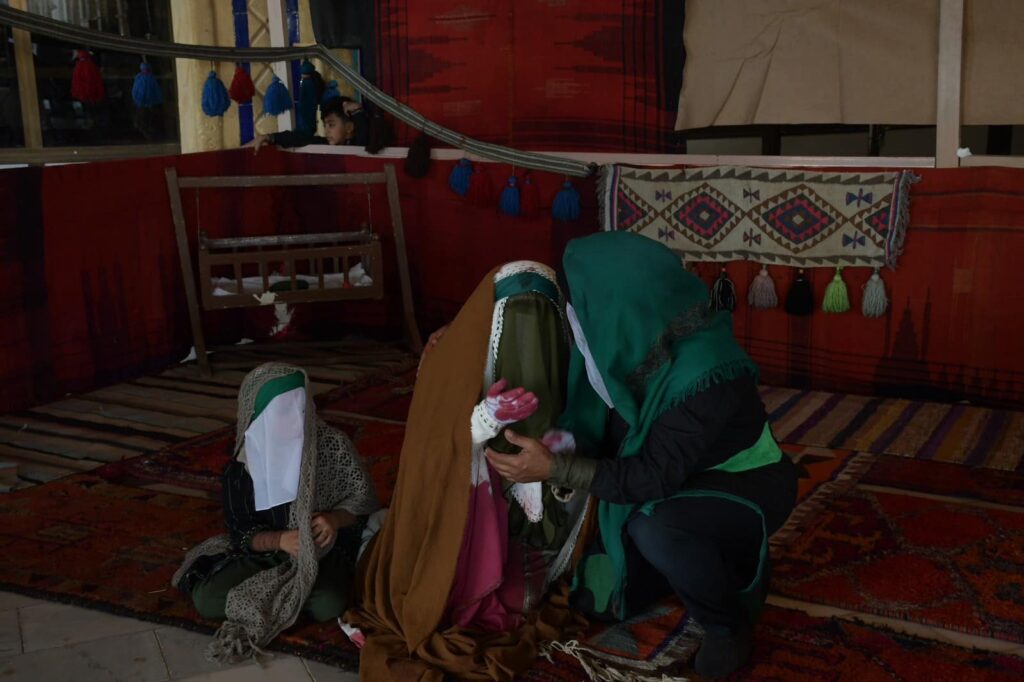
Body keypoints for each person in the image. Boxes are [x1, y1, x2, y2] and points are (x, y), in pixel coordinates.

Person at [485, 232, 798, 679]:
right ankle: (704, 563)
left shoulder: (704, 372)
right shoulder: (631, 344)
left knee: (656, 527)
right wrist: (453, 342)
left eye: (584, 305)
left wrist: (556, 467)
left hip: (745, 482)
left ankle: (727, 625)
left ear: (618, 306)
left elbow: (652, 478)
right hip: (675, 474)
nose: (577, 317)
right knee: (605, 597)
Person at [344, 261, 590, 681]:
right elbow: (429, 461)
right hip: (462, 528)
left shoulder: (577, 369)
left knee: (529, 587)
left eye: (541, 329)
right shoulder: (451, 358)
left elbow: (592, 478)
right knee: (462, 594)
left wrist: (558, 465)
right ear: (494, 324)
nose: (529, 349)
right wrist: (480, 424)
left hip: (529, 534)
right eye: (516, 328)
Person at [172, 362, 379, 662]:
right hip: (266, 552)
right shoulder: (242, 467)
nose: (296, 420)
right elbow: (241, 532)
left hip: (320, 552)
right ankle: (283, 600)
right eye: (283, 411)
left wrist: (334, 519)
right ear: (259, 414)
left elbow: (363, 500)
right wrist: (280, 541)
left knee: (329, 603)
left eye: (301, 408)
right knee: (206, 598)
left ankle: (274, 600)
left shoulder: (332, 445)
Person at [246, 96, 368, 153]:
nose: (326, 131)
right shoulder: (323, 144)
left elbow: (365, 136)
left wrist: (357, 112)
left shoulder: (361, 145)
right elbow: (298, 138)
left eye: (331, 125)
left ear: (349, 128)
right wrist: (269, 137)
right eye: (325, 125)